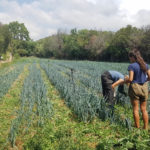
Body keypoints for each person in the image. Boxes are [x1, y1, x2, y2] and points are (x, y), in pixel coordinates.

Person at [125, 49, 150, 130]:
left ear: (133, 57)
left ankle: (137, 126)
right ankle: (145, 127)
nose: (130, 59)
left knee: (135, 109)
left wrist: (126, 79)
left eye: (130, 57)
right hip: (144, 88)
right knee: (144, 109)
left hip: (135, 88)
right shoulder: (146, 65)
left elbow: (131, 79)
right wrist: (144, 81)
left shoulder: (132, 66)